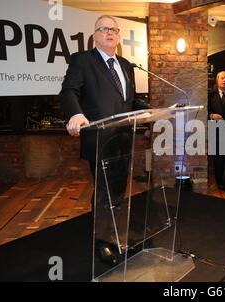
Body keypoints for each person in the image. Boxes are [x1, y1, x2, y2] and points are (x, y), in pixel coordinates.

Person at [59, 15, 150, 263]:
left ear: (118, 37)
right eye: (104, 29)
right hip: (99, 139)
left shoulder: (126, 65)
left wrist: (147, 108)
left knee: (118, 194)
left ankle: (117, 236)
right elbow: (68, 91)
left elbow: (128, 100)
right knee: (104, 194)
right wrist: (76, 113)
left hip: (123, 140)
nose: (110, 33)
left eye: (114, 30)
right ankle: (103, 243)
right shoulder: (83, 61)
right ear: (95, 36)